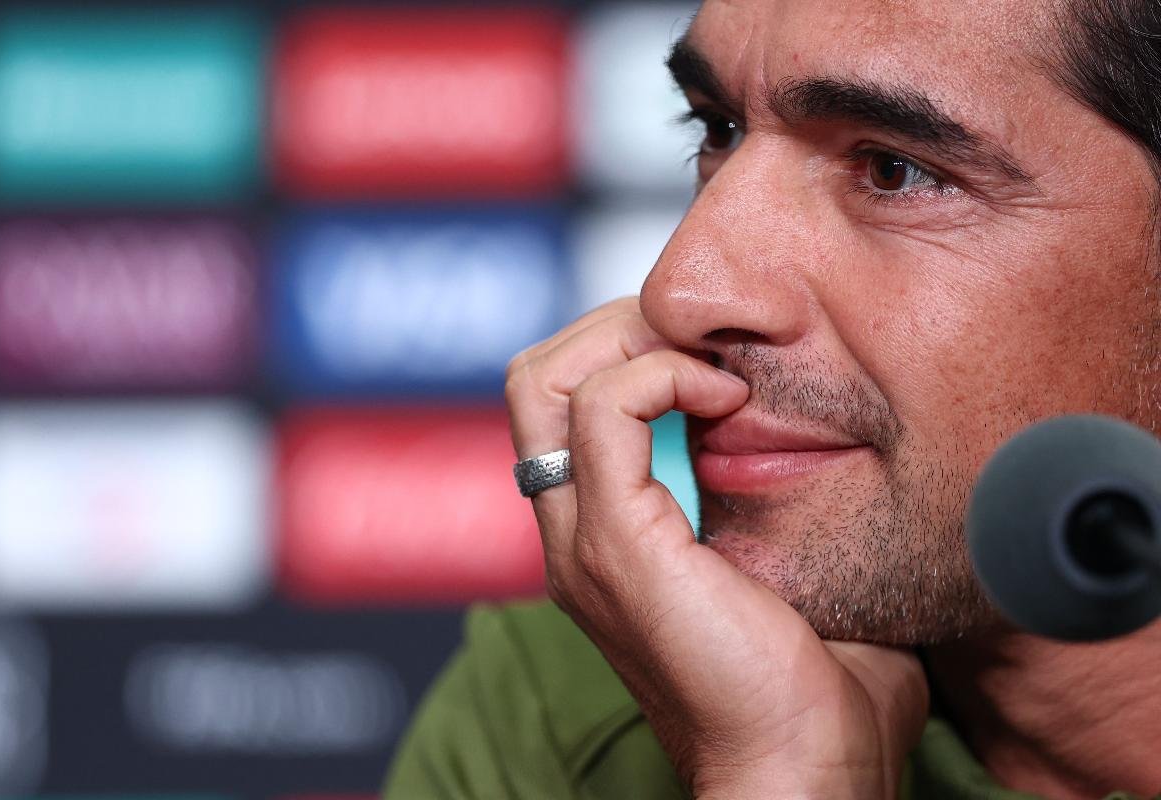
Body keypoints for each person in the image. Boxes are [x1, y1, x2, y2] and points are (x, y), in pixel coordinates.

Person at [385, 0, 1161, 797]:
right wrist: (786, 773)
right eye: (717, 129)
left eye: (895, 170)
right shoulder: (553, 714)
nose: (678, 291)